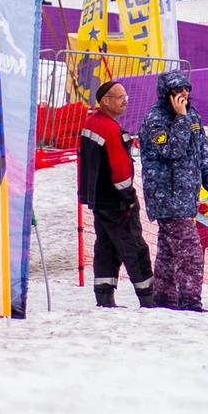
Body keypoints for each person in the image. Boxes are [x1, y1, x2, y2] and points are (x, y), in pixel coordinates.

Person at [138, 70, 208, 310]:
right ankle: (190, 301)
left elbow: (201, 153)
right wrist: (181, 118)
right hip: (166, 196)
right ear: (166, 93)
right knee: (190, 251)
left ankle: (164, 300)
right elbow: (171, 151)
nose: (184, 94)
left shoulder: (192, 115)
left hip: (186, 196)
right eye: (177, 90)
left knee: (168, 253)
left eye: (186, 89)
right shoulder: (155, 119)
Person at [77, 80, 154, 307]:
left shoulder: (92, 123)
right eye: (120, 98)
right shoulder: (110, 128)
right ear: (105, 101)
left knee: (106, 246)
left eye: (125, 97)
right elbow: (120, 169)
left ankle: (104, 296)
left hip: (98, 199)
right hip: (116, 201)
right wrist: (128, 196)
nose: (125, 102)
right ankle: (148, 298)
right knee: (134, 247)